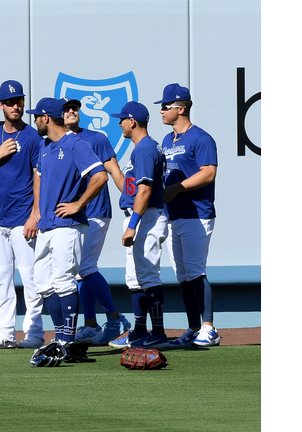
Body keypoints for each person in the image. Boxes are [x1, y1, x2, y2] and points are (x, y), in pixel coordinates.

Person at [28, 97, 108, 347]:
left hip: (69, 224)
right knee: (42, 283)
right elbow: (38, 176)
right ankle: (61, 334)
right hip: (47, 225)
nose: (34, 121)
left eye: (36, 117)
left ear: (46, 118)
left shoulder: (75, 143)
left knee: (63, 280)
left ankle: (67, 340)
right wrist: (36, 210)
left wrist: (78, 204)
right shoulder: (45, 145)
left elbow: (100, 175)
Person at [154, 83, 221, 348]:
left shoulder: (201, 138)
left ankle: (209, 327)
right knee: (182, 275)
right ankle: (194, 327)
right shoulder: (168, 140)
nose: (161, 110)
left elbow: (208, 172)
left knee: (195, 270)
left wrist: (176, 188)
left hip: (197, 213)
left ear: (181, 108)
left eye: (166, 106)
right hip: (174, 214)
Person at [60, 97, 131, 345]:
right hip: (72, 214)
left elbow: (115, 172)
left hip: (96, 210)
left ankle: (115, 318)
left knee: (86, 266)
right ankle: (90, 325)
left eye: (74, 108)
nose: (71, 111)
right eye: (67, 109)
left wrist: (130, 201)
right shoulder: (53, 142)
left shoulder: (96, 138)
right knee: (80, 271)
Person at [0, 80, 45, 349]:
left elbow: (38, 177)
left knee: (30, 279)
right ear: (1, 106)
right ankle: (5, 333)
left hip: (22, 219)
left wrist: (35, 214)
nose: (15, 105)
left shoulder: (31, 137)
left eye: (18, 101)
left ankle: (34, 333)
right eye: (9, 102)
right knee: (2, 280)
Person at [106, 101, 170, 349]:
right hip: (142, 214)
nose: (120, 123)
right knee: (135, 278)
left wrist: (133, 224)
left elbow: (144, 190)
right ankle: (140, 332)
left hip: (147, 216)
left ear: (132, 121)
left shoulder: (144, 150)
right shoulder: (145, 147)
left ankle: (159, 332)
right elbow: (133, 189)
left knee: (148, 276)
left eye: (121, 119)